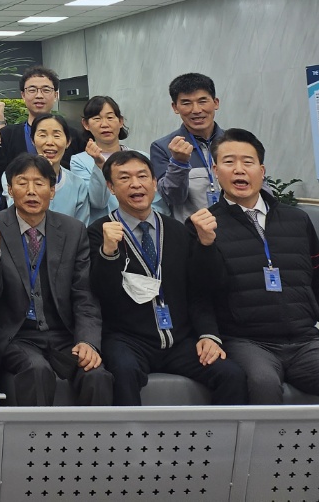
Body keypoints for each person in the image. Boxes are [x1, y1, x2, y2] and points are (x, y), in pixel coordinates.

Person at [189, 129, 319, 404]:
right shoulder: (204, 225)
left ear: (261, 170)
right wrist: (205, 245)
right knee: (262, 384)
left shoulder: (297, 220)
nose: (239, 170)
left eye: (247, 162)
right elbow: (200, 292)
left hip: (304, 340)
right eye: (229, 162)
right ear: (215, 171)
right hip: (245, 341)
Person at [88, 150, 249, 407]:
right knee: (123, 372)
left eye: (143, 176)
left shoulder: (177, 230)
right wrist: (108, 253)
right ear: (111, 187)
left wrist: (208, 334)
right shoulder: (99, 233)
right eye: (124, 178)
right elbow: (101, 293)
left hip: (179, 340)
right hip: (127, 339)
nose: (136, 184)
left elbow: (201, 289)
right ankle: (131, 435)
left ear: (154, 183)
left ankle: (219, 435)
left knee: (230, 374)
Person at [0, 154, 111, 407]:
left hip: (63, 335)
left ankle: (93, 435)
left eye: (39, 183)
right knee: (37, 371)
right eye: (22, 183)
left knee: (97, 375)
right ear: (10, 189)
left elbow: (84, 295)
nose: (31, 191)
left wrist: (87, 341)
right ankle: (35, 435)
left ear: (52, 190)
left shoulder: (73, 230)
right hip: (17, 335)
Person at [2, 113, 107, 226]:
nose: (50, 142)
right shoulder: (13, 176)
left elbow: (80, 228)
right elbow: (17, 216)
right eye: (42, 135)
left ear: (68, 142)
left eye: (57, 136)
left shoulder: (77, 185)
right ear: (33, 141)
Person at [0, 67, 86, 189]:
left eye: (46, 90)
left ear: (56, 95)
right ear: (23, 95)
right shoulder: (6, 136)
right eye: (32, 90)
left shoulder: (75, 137)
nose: (39, 95)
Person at [151, 73, 226, 220]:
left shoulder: (237, 142)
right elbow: (173, 198)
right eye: (186, 103)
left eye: (202, 101)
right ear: (175, 107)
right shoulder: (162, 148)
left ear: (216, 103)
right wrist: (178, 163)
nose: (196, 110)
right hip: (191, 230)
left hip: (237, 228)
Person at [79, 96, 167, 216]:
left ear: (120, 121)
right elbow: (98, 203)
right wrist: (99, 165)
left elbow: (157, 201)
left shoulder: (142, 157)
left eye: (110, 117)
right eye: (97, 119)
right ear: (86, 124)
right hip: (108, 224)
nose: (104, 124)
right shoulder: (79, 161)